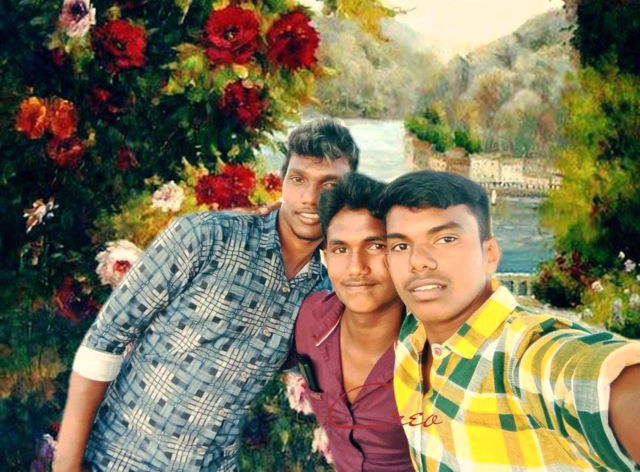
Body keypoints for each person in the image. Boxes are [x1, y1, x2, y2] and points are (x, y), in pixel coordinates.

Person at [53, 118, 359, 472]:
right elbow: (105, 339)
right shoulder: (207, 237)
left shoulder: (321, 293)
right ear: (284, 182)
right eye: (299, 179)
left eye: (329, 185)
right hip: (121, 460)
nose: (309, 198)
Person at [380, 170, 640, 471]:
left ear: (490, 254)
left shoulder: (524, 357)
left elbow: (587, 377)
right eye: (400, 246)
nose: (418, 260)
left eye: (446, 239)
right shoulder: (411, 336)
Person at [295, 173, 413, 471]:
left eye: (375, 246)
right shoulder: (310, 319)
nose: (356, 268)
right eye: (340, 249)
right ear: (326, 256)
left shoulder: (436, 352)